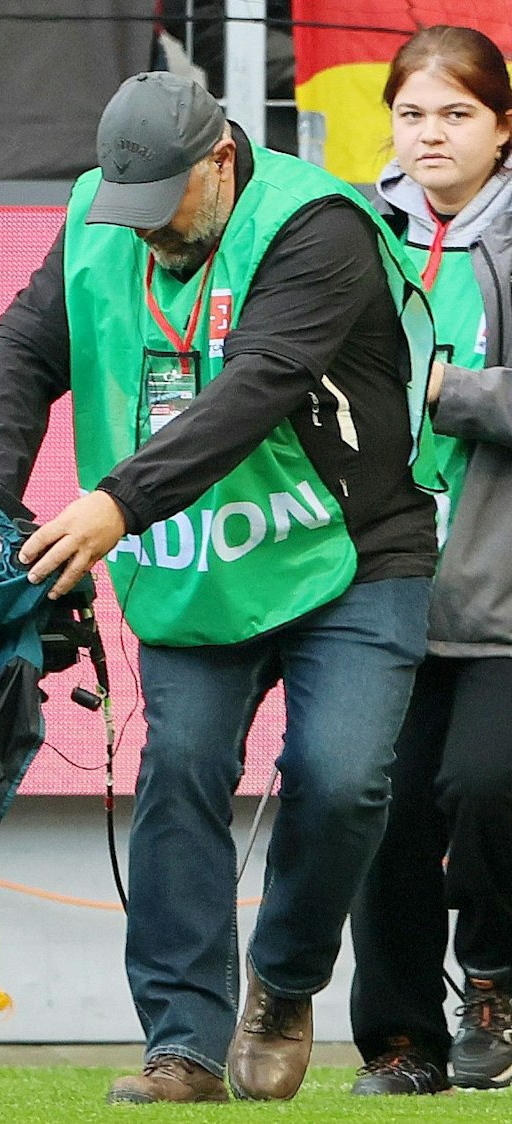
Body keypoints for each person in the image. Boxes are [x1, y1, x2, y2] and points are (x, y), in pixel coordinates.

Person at [0, 71, 440, 1103]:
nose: (142, 229)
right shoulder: (101, 215)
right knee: (178, 769)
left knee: (341, 776)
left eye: (161, 204)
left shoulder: (314, 225)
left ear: (219, 161)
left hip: (352, 549)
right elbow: (22, 353)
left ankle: (285, 979)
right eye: (124, 205)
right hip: (196, 560)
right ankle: (181, 1044)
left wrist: (116, 503)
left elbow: (257, 385)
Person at [347, 24, 512, 1097]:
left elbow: (425, 387)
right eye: (410, 113)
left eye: (456, 113)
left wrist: (443, 389)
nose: (430, 135)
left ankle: (492, 983)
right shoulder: (352, 235)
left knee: (483, 784)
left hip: (499, 597)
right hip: (377, 588)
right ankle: (400, 1041)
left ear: (503, 128)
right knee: (375, 806)